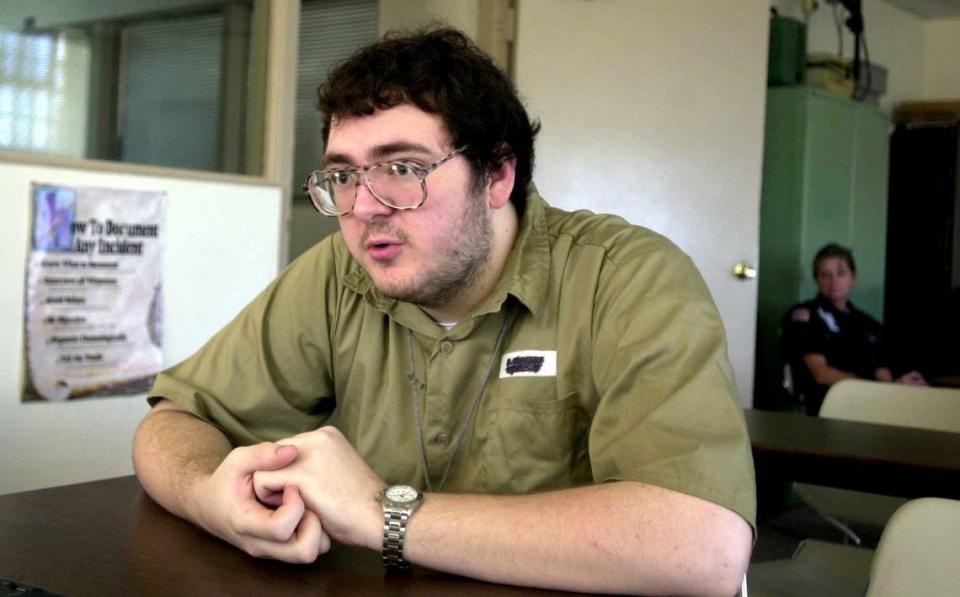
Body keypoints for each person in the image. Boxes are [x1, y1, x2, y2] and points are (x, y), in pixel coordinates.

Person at [133, 28, 754, 595]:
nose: (366, 207)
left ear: (498, 175)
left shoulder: (625, 276)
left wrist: (383, 513)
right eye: (344, 176)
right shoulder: (340, 272)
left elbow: (702, 549)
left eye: (403, 168)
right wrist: (208, 497)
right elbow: (177, 416)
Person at [783, 243, 926, 416]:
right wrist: (873, 389)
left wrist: (896, 387)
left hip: (871, 403)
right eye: (825, 275)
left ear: (853, 276)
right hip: (826, 406)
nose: (834, 281)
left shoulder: (868, 323)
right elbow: (820, 373)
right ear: (817, 279)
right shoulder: (805, 315)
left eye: (841, 273)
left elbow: (882, 371)